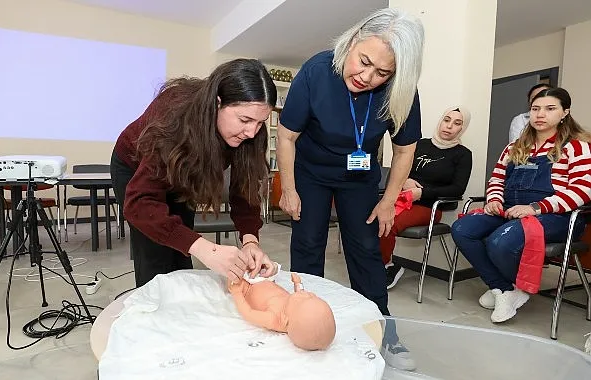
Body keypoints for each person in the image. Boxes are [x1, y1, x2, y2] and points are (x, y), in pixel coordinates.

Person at [276, 8, 424, 371]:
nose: (368, 76)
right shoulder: (316, 70)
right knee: (308, 243)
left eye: (382, 73)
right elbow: (287, 134)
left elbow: (404, 148)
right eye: (364, 62)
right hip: (311, 172)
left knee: (366, 249)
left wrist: (389, 201)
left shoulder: (400, 89)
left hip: (359, 178)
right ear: (354, 40)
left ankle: (384, 332)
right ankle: (307, 323)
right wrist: (289, 188)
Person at [110, 58, 277, 288]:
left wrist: (250, 241)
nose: (251, 132)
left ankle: (181, 308)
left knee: (182, 245)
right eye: (244, 119)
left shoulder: (251, 133)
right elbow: (141, 202)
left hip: (183, 174)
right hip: (135, 168)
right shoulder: (175, 112)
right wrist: (207, 249)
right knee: (154, 252)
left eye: (260, 122)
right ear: (218, 103)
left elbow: (244, 188)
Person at [452, 87, 591, 323]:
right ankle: (503, 288)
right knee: (463, 229)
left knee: (500, 242)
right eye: (535, 109)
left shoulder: (577, 147)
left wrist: (536, 208)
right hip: (512, 212)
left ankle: (511, 290)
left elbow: (582, 191)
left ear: (564, 113)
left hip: (557, 217)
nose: (540, 114)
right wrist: (495, 199)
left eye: (550, 109)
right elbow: (496, 179)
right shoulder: (514, 147)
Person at [381, 106, 473, 289]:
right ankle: (379, 263)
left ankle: (385, 267)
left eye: (457, 123)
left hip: (428, 207)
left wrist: (422, 193)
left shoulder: (463, 155)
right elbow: (398, 169)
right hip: (400, 198)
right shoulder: (420, 144)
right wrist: (405, 180)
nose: (449, 126)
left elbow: (457, 189)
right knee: (369, 216)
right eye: (447, 120)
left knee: (386, 221)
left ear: (462, 128)